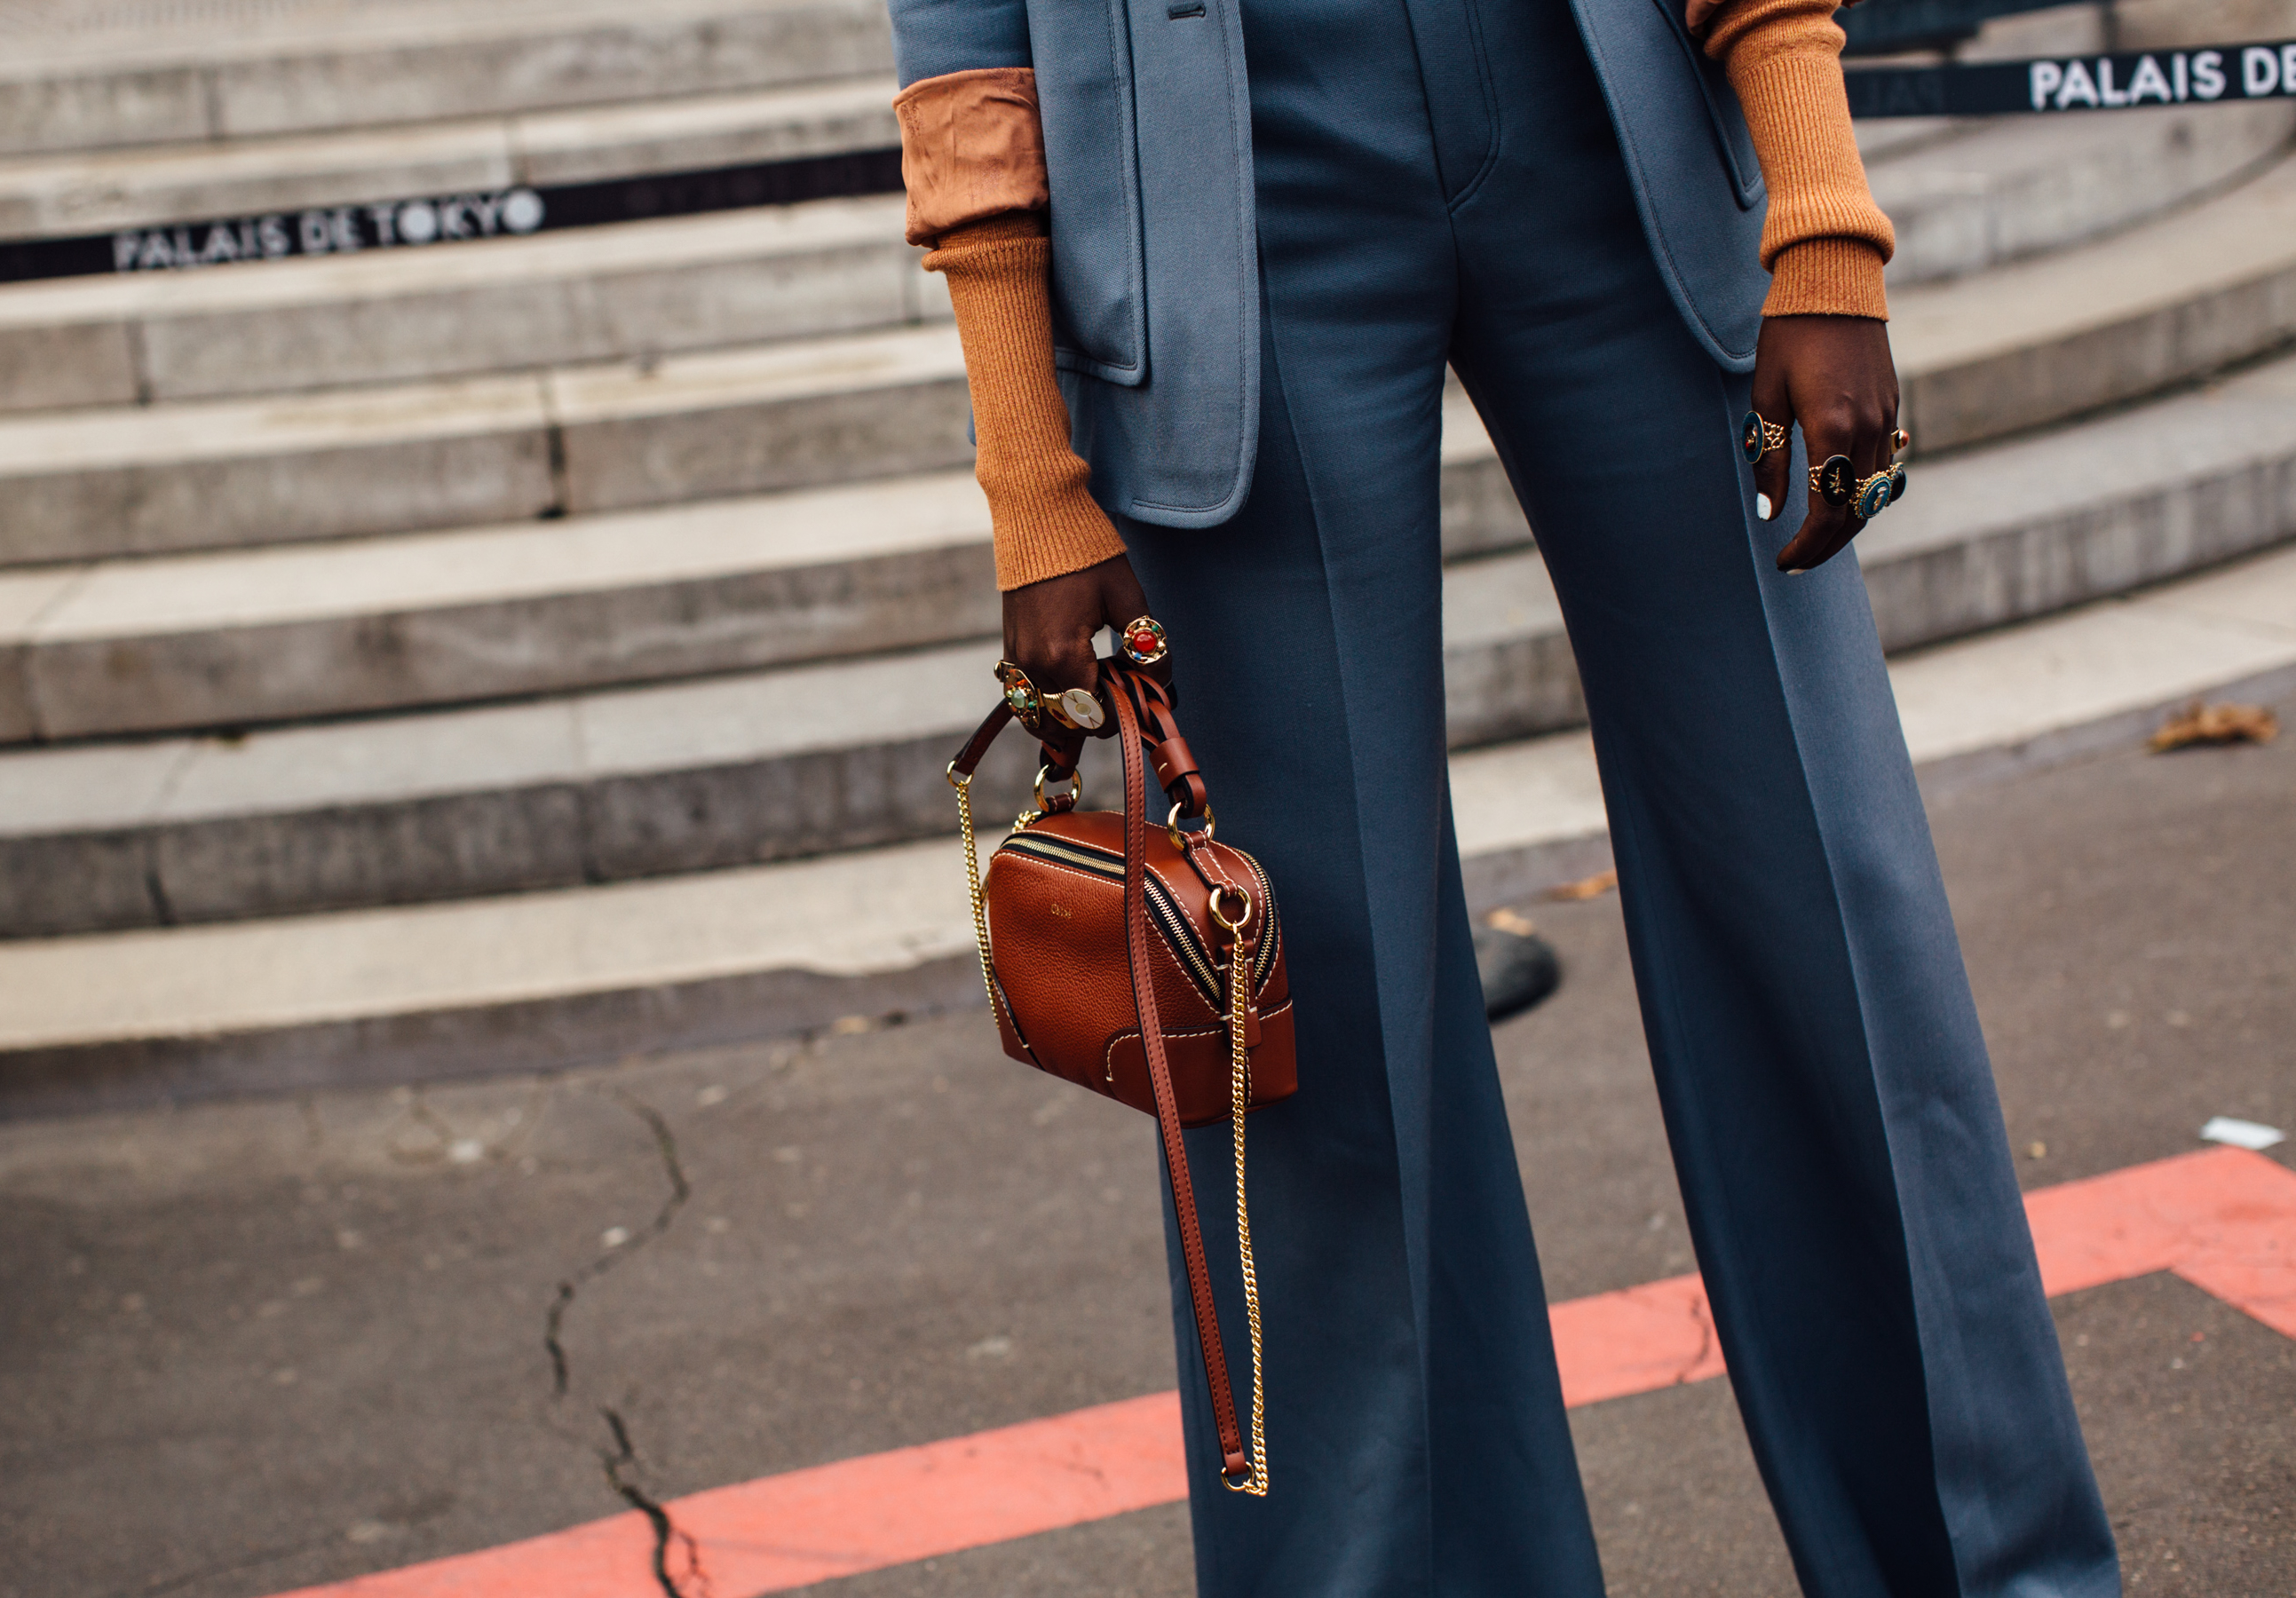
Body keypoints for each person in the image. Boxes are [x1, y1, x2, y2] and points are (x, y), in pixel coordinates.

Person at [886, 0, 2121, 1591]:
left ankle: (1995, 1571)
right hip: (1232, 194)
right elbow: (966, 29)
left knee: (1830, 912)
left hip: (1608, 114)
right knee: (1309, 1032)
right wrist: (1031, 472)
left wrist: (1824, 220)